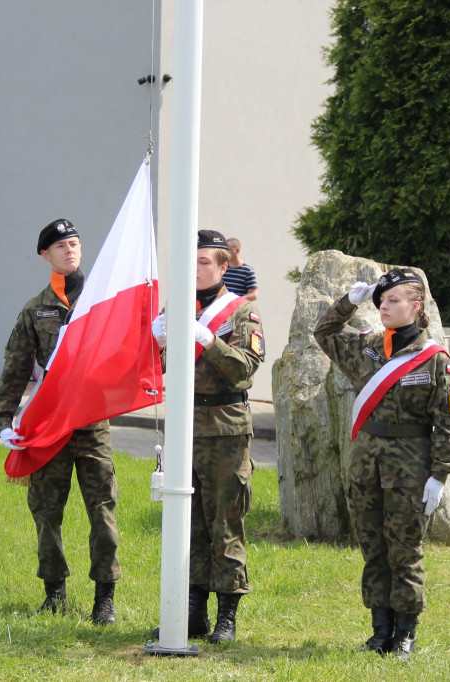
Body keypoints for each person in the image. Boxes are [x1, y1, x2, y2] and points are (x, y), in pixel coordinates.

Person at [313, 268, 450, 659]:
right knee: (373, 548)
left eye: (393, 300)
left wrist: (440, 476)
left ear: (416, 306)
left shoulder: (433, 360)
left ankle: (406, 633)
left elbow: (447, 424)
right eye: (382, 300)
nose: (384, 306)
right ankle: (380, 632)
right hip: (365, 467)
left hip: (410, 471)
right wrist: (349, 301)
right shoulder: (368, 348)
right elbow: (324, 333)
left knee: (405, 550)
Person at [0, 218, 121, 625]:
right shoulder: (36, 309)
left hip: (92, 422)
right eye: (61, 245)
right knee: (46, 510)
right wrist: (3, 419)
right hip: (51, 425)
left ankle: (104, 597)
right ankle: (55, 593)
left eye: (76, 243)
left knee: (102, 510)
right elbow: (15, 367)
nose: (70, 249)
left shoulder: (103, 300)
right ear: (45, 255)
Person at [151, 229, 265, 643]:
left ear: (223, 266)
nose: (197, 270)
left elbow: (244, 368)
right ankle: (192, 613)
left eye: (205, 262)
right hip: (184, 425)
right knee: (188, 523)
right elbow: (156, 369)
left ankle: (227, 615)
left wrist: (209, 340)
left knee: (224, 521)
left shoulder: (240, 314)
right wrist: (157, 341)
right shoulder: (176, 307)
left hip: (224, 428)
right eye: (191, 262)